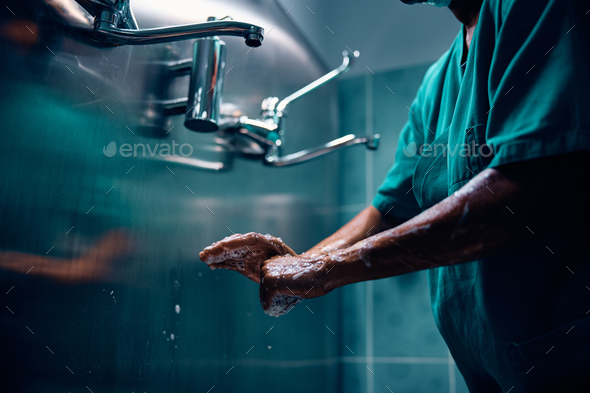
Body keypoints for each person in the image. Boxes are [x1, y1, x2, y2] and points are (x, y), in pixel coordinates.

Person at [200, 0, 590, 390]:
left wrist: (323, 271)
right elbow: (387, 212)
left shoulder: (534, 8)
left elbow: (526, 189)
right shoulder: (437, 83)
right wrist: (298, 265)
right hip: (491, 370)